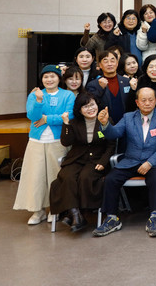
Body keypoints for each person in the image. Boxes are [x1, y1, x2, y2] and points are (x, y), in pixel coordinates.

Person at [93, 87, 156, 237]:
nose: (147, 103)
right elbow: (114, 134)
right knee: (110, 179)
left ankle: (154, 218)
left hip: (154, 162)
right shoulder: (128, 117)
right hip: (131, 161)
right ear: (137, 102)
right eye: (143, 100)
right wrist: (105, 124)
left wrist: (150, 162)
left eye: (150, 100)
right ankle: (112, 218)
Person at [14, 65, 75, 225]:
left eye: (52, 76)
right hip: (36, 141)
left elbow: (69, 116)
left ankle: (55, 210)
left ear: (59, 78)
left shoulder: (67, 95)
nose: (49, 79)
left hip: (58, 141)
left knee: (56, 176)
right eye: (46, 77)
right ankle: (38, 211)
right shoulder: (35, 94)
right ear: (41, 79)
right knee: (35, 177)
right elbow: (32, 116)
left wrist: (47, 119)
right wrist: (39, 100)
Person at [49, 92, 116, 232]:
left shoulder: (105, 120)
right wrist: (66, 123)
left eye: (92, 105)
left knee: (85, 177)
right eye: (85, 106)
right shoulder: (74, 123)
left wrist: (104, 162)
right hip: (76, 159)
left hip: (96, 160)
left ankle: (75, 214)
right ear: (79, 110)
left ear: (97, 105)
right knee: (66, 177)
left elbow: (111, 145)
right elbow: (66, 142)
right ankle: (76, 214)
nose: (90, 109)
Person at [86, 50, 136, 126]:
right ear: (100, 65)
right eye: (105, 61)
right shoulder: (93, 84)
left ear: (117, 63)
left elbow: (132, 105)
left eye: (112, 61)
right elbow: (91, 104)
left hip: (126, 124)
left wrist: (133, 90)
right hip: (104, 124)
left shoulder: (127, 82)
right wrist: (100, 88)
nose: (109, 64)